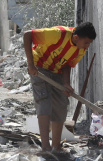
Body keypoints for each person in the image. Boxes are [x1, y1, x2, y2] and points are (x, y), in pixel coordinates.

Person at [23, 22, 96, 152]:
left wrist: (66, 84)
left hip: (57, 71)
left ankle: (56, 146)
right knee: (44, 102)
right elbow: (27, 35)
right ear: (76, 37)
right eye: (86, 42)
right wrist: (31, 65)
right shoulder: (58, 34)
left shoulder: (81, 49)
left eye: (89, 43)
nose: (87, 46)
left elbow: (67, 64)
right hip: (39, 66)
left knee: (61, 105)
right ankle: (45, 147)